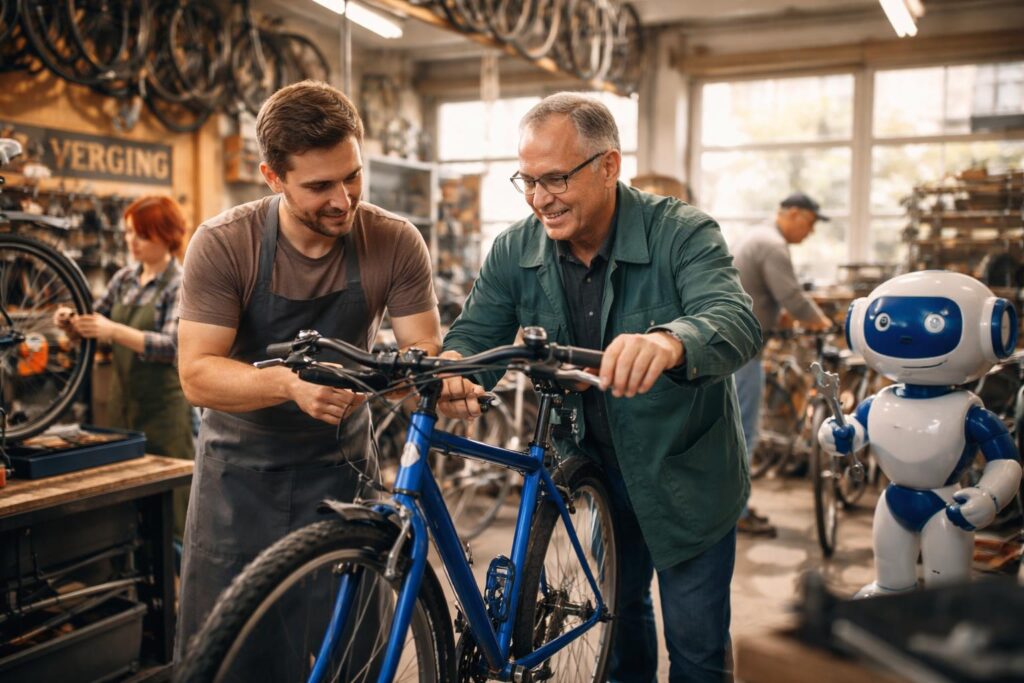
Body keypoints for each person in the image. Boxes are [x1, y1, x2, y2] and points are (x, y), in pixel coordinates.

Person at [438, 92, 761, 683]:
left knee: (695, 649)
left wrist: (669, 341)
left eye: (556, 178)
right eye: (528, 181)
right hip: (594, 478)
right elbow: (475, 337)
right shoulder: (515, 250)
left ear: (608, 166)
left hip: (684, 476)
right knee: (618, 624)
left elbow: (734, 319)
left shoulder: (681, 232)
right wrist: (454, 374)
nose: (540, 199)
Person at [173, 80, 441, 661]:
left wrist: (435, 383)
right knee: (229, 657)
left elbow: (422, 356)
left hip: (341, 477)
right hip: (238, 487)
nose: (343, 200)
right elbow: (197, 375)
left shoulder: (394, 242)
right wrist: (287, 385)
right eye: (319, 186)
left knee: (341, 653)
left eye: (352, 176)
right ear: (272, 177)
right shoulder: (225, 244)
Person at [55, 196, 194, 541]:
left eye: (141, 235)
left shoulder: (181, 283)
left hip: (164, 414)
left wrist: (113, 331)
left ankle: (175, 588)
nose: (131, 241)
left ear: (166, 236)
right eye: (129, 233)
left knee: (171, 512)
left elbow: (171, 346)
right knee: (126, 508)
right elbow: (94, 323)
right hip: (122, 409)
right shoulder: (123, 280)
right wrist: (71, 323)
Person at [731, 192, 833, 536]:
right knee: (743, 433)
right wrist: (824, 323)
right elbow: (792, 297)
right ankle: (736, 513)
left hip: (737, 346)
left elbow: (766, 297)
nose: (811, 232)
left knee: (739, 431)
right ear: (792, 214)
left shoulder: (758, 236)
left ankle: (735, 507)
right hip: (742, 351)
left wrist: (781, 318)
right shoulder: (773, 245)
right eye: (810, 223)